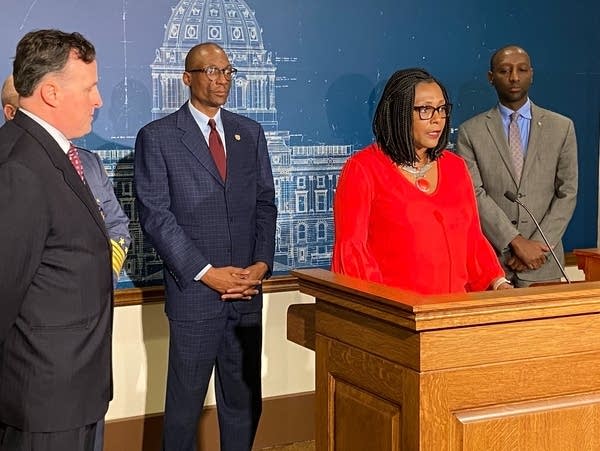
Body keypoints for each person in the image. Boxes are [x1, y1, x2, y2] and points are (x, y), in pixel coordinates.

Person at [134, 42, 277, 451]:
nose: (221, 80)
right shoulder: (158, 137)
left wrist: (262, 263)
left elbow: (265, 203)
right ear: (187, 78)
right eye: (211, 71)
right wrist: (207, 273)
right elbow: (157, 217)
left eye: (228, 71)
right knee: (183, 409)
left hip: (247, 291)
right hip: (196, 295)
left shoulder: (249, 132)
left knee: (244, 401)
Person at [0, 29, 112, 450]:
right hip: (43, 403)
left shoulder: (49, 154)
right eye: (89, 88)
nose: (98, 100)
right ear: (50, 93)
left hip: (72, 393)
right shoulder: (22, 169)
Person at [331, 68, 511, 294]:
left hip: (454, 315)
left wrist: (498, 283)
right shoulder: (363, 169)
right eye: (425, 109)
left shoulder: (455, 167)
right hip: (395, 316)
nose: (437, 119)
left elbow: (471, 238)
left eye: (442, 109)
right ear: (399, 113)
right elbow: (352, 253)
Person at [455, 45, 578, 287]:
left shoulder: (561, 127)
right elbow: (474, 194)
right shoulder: (471, 132)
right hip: (494, 264)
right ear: (491, 78)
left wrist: (537, 247)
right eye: (504, 70)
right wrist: (515, 242)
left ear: (531, 74)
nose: (514, 77)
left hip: (544, 264)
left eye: (521, 70)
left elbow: (568, 193)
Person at [1, 74, 131, 285]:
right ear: (11, 113)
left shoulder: (88, 163)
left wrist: (105, 273)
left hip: (92, 298)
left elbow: (117, 224)